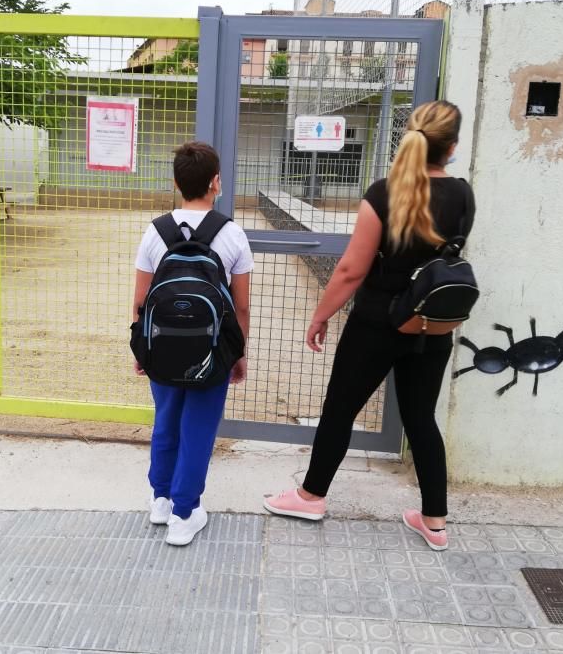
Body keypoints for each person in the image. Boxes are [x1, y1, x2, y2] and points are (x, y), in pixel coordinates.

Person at [263, 101, 474, 551]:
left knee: (340, 409)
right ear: (451, 147)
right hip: (431, 325)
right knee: (421, 420)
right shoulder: (463, 195)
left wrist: (321, 315)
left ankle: (311, 496)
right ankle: (434, 521)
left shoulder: (384, 193)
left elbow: (350, 271)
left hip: (376, 324)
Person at [133, 141, 253, 546]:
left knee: (165, 421)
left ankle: (161, 500)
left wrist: (140, 350)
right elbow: (242, 307)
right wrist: (237, 356)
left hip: (161, 347)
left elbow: (140, 301)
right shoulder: (232, 234)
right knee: (198, 427)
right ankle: (185, 513)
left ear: (175, 182)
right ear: (215, 182)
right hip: (213, 351)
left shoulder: (155, 231)